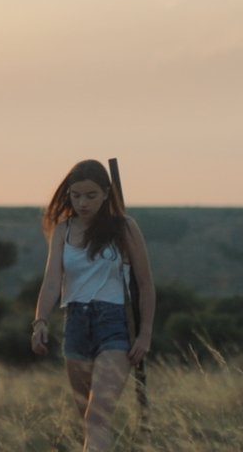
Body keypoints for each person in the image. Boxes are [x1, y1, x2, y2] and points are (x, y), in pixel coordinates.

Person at [31, 159, 156, 452]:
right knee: (88, 418)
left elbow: (146, 284)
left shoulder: (124, 227)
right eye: (76, 195)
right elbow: (51, 282)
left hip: (114, 324)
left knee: (97, 415)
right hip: (75, 323)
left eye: (90, 195)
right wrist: (40, 321)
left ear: (105, 193)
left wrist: (145, 334)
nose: (82, 203)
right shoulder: (63, 230)